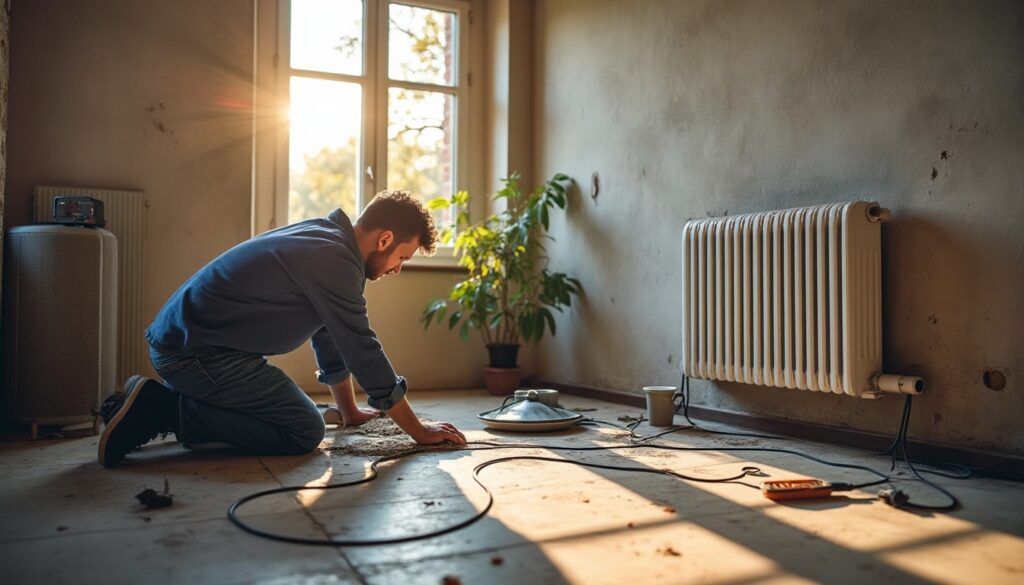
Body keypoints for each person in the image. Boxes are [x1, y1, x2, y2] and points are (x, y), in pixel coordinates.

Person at [98, 190, 467, 468]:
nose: (398, 268)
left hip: (191, 347)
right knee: (304, 429)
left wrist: (350, 410)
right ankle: (162, 408)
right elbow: (360, 347)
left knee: (300, 410)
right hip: (196, 355)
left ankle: (144, 399)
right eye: (403, 257)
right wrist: (419, 431)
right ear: (385, 239)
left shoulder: (328, 239)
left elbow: (329, 336)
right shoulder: (334, 259)